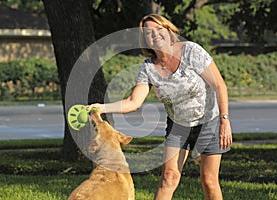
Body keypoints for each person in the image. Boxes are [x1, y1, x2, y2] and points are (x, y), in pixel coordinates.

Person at [87, 14, 232, 200]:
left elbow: (219, 85)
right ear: (145, 40)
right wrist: (102, 108)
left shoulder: (191, 51)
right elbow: (133, 101)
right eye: (149, 33)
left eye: (159, 29)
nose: (154, 35)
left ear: (169, 31)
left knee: (209, 180)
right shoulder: (148, 68)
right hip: (178, 126)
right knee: (169, 178)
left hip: (209, 121)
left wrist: (224, 120)